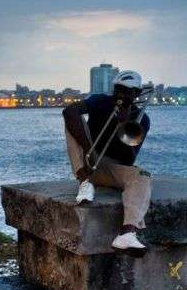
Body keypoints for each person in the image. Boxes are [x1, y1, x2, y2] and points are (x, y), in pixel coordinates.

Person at [62, 70, 152, 256]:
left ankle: (127, 233)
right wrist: (89, 149)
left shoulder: (141, 119)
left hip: (112, 167)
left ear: (137, 93)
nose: (121, 95)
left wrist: (123, 125)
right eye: (118, 89)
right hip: (89, 159)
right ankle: (84, 182)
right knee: (71, 118)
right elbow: (69, 111)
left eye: (128, 91)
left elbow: (128, 160)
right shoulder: (101, 101)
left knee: (143, 176)